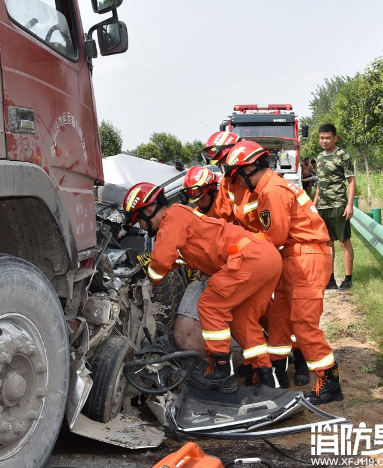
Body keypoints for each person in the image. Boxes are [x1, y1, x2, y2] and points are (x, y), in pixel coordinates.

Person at [122, 182, 282, 392]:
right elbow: (202, 249)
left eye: (138, 221)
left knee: (210, 305)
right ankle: (267, 379)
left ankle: (221, 372)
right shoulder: (182, 215)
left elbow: (160, 262)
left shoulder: (171, 219)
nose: (141, 228)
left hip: (249, 257)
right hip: (266, 257)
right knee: (243, 321)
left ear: (149, 211)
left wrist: (149, 281)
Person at [222, 140, 344, 404]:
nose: (241, 182)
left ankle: (329, 380)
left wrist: (239, 243)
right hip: (294, 257)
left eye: (241, 176)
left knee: (303, 324)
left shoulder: (272, 191)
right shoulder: (272, 187)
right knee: (279, 319)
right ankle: (274, 374)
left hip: (305, 258)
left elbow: (274, 236)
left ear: (251, 168)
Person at [200, 131, 310, 386]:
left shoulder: (261, 182)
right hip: (253, 255)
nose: (222, 168)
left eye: (223, 161)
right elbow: (222, 216)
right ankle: (260, 365)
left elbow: (275, 229)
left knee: (285, 312)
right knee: (258, 313)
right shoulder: (229, 183)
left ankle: (300, 357)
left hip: (275, 252)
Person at [313, 124, 355, 290]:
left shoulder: (342, 155)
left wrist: (349, 204)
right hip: (323, 206)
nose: (324, 141)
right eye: (322, 138)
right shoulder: (320, 157)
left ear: (335, 138)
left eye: (327, 138)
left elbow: (351, 181)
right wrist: (314, 204)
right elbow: (320, 184)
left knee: (344, 242)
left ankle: (348, 279)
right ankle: (330, 279)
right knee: (327, 243)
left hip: (338, 204)